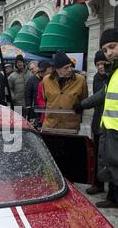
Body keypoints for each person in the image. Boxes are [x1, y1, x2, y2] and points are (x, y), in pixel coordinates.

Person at [76, 29, 118, 209]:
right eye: (105, 49)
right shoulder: (114, 72)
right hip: (109, 128)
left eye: (112, 47)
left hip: (115, 129)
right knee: (111, 165)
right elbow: (102, 95)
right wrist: (82, 104)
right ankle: (113, 198)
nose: (109, 52)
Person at [42, 50, 88, 132]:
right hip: (50, 126)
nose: (70, 69)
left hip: (70, 127)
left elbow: (84, 100)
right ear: (57, 69)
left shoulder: (80, 80)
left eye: (70, 66)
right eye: (66, 68)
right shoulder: (46, 80)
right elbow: (45, 99)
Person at [83, 51, 108, 195]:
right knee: (97, 154)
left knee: (108, 157)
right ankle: (97, 184)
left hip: (110, 124)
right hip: (97, 121)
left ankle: (112, 191)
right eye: (97, 64)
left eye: (102, 63)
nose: (100, 66)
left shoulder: (112, 77)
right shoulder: (97, 78)